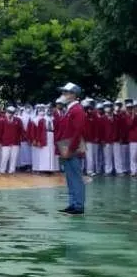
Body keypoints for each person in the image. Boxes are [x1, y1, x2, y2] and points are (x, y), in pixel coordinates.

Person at [56, 82, 87, 215]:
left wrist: (70, 149)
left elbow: (77, 131)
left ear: (73, 95)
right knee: (70, 178)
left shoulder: (77, 110)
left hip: (71, 146)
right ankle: (73, 203)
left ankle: (78, 205)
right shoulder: (70, 109)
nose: (63, 95)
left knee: (75, 178)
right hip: (66, 145)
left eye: (66, 92)